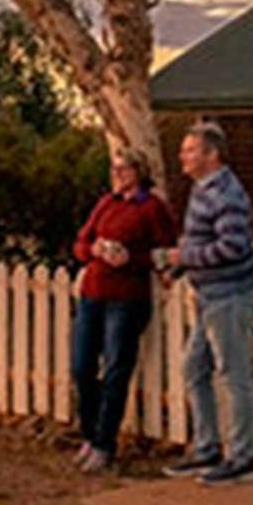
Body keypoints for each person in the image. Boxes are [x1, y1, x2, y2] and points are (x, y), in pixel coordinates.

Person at [156, 121, 253, 486]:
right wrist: (180, 268)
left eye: (190, 150)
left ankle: (242, 457)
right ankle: (206, 448)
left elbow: (232, 247)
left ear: (211, 155)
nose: (182, 157)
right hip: (209, 296)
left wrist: (185, 254)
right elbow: (202, 242)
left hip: (231, 296)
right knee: (193, 369)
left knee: (234, 376)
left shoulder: (226, 195)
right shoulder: (202, 191)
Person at [68, 151, 179, 473]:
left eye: (123, 169)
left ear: (139, 172)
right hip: (93, 292)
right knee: (82, 366)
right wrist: (94, 250)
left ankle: (105, 442)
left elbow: (165, 253)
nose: (117, 175)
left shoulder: (152, 208)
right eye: (113, 169)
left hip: (127, 298)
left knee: (116, 369)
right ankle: (89, 433)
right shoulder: (107, 203)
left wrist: (131, 259)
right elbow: (80, 243)